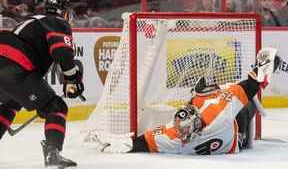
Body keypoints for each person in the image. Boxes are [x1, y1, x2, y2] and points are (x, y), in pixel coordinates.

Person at [86, 47, 280, 155]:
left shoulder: (174, 137)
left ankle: (200, 94)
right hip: (237, 138)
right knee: (247, 105)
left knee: (217, 96)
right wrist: (263, 70)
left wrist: (121, 144)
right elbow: (247, 87)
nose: (184, 134)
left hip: (225, 141)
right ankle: (202, 94)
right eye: (184, 131)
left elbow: (142, 142)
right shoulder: (214, 117)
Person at [0, 0, 84, 169]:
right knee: (56, 106)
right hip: (15, 67)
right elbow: (62, 52)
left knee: (10, 104)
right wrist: (72, 78)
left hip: (6, 63)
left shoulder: (31, 22)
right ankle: (53, 156)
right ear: (64, 12)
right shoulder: (57, 22)